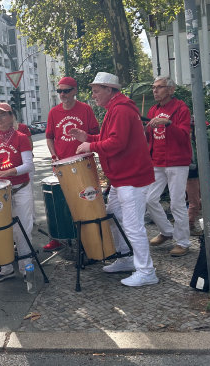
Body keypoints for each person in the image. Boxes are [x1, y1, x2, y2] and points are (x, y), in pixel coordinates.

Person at [71, 72, 157, 287]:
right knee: (115, 216)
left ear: (110, 90)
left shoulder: (120, 110)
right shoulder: (117, 109)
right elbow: (110, 138)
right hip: (123, 178)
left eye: (96, 90)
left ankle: (147, 272)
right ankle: (127, 258)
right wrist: (88, 137)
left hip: (131, 177)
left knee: (133, 226)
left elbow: (116, 143)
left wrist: (90, 145)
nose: (93, 95)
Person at [0, 103, 35, 282]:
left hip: (20, 188)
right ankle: (6, 267)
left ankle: (27, 266)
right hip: (0, 192)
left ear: (11, 116)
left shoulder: (21, 137)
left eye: (3, 115)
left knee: (23, 229)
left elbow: (29, 165)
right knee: (2, 230)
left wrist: (9, 172)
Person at [44, 76, 100, 252]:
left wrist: (87, 143)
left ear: (75, 91)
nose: (62, 94)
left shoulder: (85, 109)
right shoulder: (54, 112)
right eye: (60, 91)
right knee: (61, 201)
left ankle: (89, 238)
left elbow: (95, 134)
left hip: (83, 164)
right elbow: (49, 137)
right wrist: (54, 155)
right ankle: (60, 237)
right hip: (62, 165)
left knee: (86, 199)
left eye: (66, 91)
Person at [144, 76, 193, 257]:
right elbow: (149, 137)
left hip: (177, 161)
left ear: (171, 90)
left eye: (160, 87)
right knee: (149, 199)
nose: (155, 90)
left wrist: (168, 124)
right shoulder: (153, 109)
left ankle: (183, 242)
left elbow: (183, 136)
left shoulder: (181, 108)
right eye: (154, 87)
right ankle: (166, 231)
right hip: (157, 161)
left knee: (177, 203)